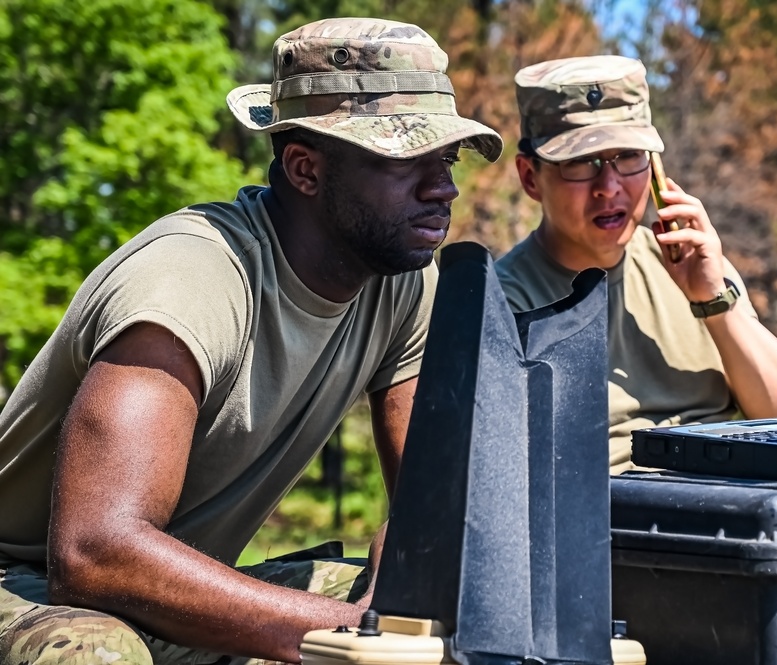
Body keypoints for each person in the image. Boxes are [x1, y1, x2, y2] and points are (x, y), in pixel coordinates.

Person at [0, 17, 502, 665]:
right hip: (32, 591)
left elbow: (427, 507)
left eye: (446, 158)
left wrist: (397, 595)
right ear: (304, 168)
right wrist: (353, 632)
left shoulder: (404, 282)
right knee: (95, 652)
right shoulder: (189, 278)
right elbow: (94, 554)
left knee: (445, 605)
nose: (443, 188)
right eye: (405, 159)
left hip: (170, 597)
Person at [495, 55, 777, 474]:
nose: (609, 186)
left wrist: (714, 303)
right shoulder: (502, 304)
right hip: (612, 523)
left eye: (629, 156)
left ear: (655, 167)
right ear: (531, 178)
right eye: (581, 162)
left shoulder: (691, 264)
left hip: (735, 506)